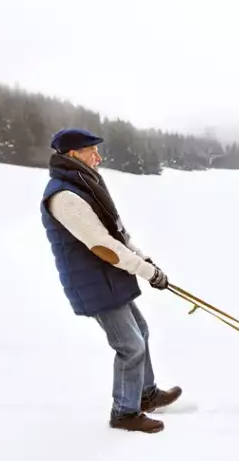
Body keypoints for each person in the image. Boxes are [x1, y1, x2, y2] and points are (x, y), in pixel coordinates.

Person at [39, 127, 181, 434]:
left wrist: (144, 261)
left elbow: (118, 234)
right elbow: (103, 245)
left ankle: (146, 394)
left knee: (140, 332)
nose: (99, 157)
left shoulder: (86, 185)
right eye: (93, 151)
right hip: (93, 281)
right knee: (130, 345)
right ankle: (125, 412)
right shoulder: (64, 196)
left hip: (110, 277)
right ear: (74, 154)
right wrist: (146, 272)